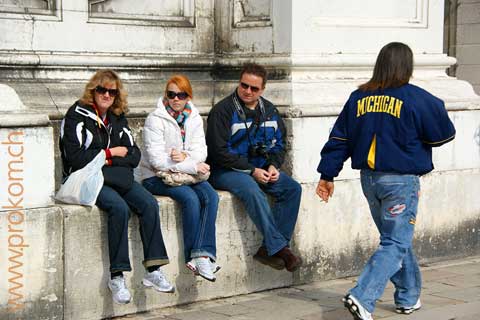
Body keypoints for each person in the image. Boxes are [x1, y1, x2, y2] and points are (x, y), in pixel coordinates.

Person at [316, 42, 456, 320]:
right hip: (401, 182)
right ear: (408, 65)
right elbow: (443, 134)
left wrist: (327, 174)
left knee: (395, 241)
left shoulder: (358, 98)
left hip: (369, 181)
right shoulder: (417, 98)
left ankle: (408, 297)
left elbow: (339, 139)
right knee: (395, 243)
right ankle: (362, 296)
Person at [59, 69, 174, 305]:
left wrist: (106, 159)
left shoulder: (117, 117)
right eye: (102, 90)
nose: (107, 95)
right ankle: (117, 276)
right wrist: (110, 153)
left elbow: (133, 155)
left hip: (117, 177)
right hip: (88, 179)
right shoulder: (76, 116)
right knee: (119, 208)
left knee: (149, 203)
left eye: (112, 92)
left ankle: (153, 271)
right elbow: (75, 158)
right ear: (93, 91)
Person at [206, 62, 303, 272]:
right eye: (244, 85)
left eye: (254, 88)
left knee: (292, 189)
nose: (247, 91)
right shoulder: (222, 111)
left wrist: (273, 165)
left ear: (262, 90)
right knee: (252, 189)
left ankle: (269, 249)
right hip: (225, 170)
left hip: (260, 168)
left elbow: (279, 143)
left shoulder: (269, 110)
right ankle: (281, 249)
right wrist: (251, 171)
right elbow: (218, 152)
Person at [140, 75, 220, 282]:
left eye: (181, 95)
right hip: (156, 177)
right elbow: (157, 160)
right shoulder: (155, 119)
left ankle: (203, 254)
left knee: (211, 196)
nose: (176, 99)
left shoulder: (193, 117)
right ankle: (192, 257)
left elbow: (201, 152)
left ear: (188, 96)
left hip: (187, 175)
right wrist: (191, 164)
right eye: (171, 94)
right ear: (166, 95)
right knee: (190, 198)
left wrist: (185, 157)